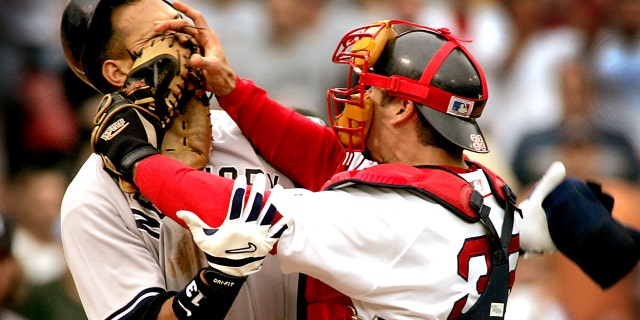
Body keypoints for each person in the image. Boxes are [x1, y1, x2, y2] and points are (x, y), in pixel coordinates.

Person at [95, 12, 528, 318]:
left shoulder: (384, 215)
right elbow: (328, 157)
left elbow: (241, 214)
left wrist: (136, 156)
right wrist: (232, 88)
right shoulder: (486, 186)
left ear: (400, 107)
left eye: (369, 88)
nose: (355, 96)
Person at [59, 0, 304, 319]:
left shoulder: (264, 136)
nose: (186, 47)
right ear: (118, 72)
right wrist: (220, 279)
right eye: (164, 39)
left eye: (186, 30)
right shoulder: (93, 198)